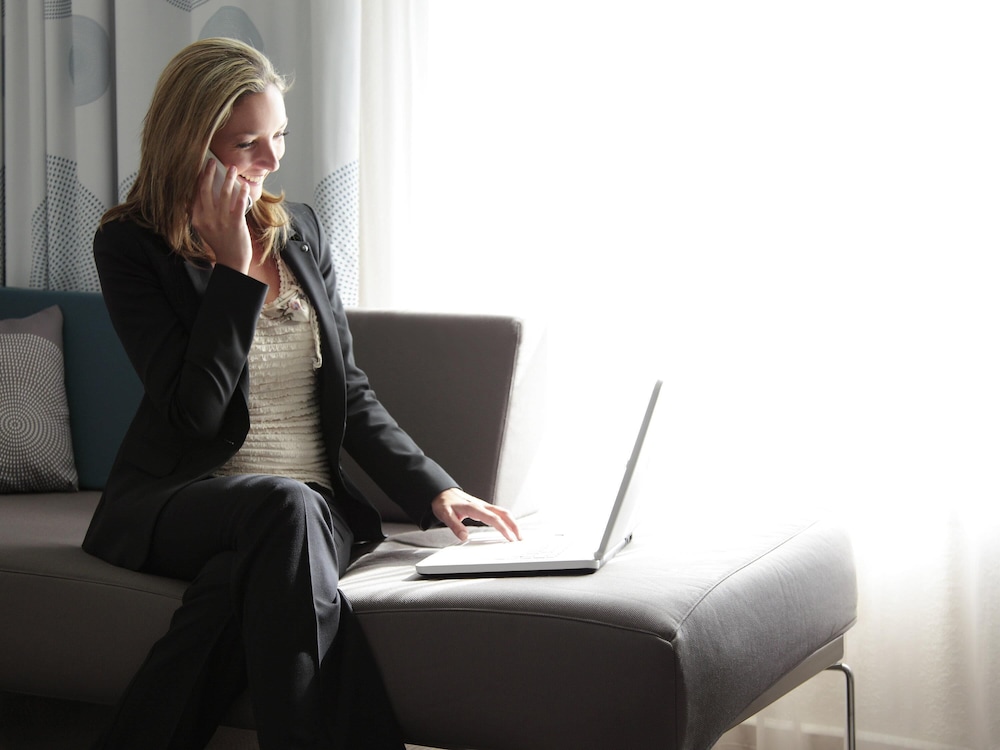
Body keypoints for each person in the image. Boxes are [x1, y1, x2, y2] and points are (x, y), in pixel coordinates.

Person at [82, 37, 520, 750]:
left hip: (306, 511)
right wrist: (233, 273)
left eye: (279, 135)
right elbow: (194, 413)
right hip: (187, 499)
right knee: (286, 507)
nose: (273, 159)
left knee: (239, 581)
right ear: (191, 143)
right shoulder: (131, 246)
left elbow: (349, 389)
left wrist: (436, 489)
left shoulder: (301, 232)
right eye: (247, 143)